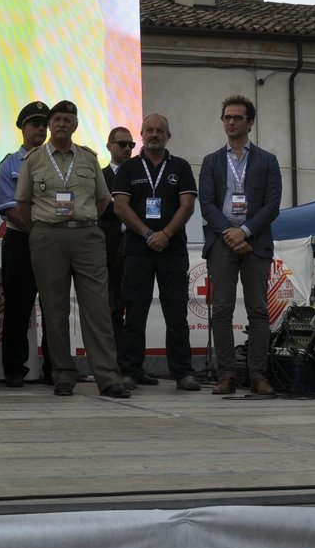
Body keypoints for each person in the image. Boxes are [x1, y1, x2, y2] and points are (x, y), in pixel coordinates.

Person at [12, 100, 133, 399]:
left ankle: (107, 376)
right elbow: (22, 203)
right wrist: (44, 229)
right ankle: (63, 375)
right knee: (54, 309)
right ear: (51, 125)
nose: (61, 124)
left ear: (76, 125)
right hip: (47, 237)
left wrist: (82, 220)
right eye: (57, 119)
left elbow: (103, 200)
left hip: (86, 236)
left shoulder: (89, 158)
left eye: (68, 119)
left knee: (98, 308)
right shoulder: (35, 160)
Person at [198, 95, 283, 397]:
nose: (231, 122)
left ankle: (259, 375)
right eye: (227, 117)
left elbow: (273, 205)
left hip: (255, 243)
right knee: (221, 309)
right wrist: (230, 233)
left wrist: (245, 231)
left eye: (237, 117)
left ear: (250, 122)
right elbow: (206, 205)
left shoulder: (267, 160)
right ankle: (226, 375)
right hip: (222, 243)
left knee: (258, 310)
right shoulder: (211, 162)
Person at [111, 113, 200, 392]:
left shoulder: (181, 167)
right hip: (138, 250)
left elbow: (187, 205)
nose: (154, 134)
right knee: (135, 311)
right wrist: (149, 234)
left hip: (172, 250)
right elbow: (120, 208)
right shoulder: (128, 169)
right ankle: (130, 370)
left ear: (168, 136)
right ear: (141, 135)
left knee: (176, 312)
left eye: (160, 131)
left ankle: (182, 372)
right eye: (149, 130)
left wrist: (166, 234)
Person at [0, 101, 53, 387]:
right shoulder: (9, 164)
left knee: (55, 307)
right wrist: (42, 233)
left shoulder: (59, 161)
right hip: (21, 240)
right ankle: (15, 369)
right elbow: (11, 208)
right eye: (34, 123)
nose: (40, 128)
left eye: (44, 124)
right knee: (18, 307)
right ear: (22, 128)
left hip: (55, 243)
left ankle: (56, 368)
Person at [100, 126, 134, 372]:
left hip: (135, 247)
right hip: (108, 248)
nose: (126, 149)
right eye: (121, 144)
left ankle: (133, 363)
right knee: (110, 307)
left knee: (135, 305)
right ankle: (111, 363)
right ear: (109, 146)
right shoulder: (99, 176)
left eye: (131, 145)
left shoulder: (139, 175)